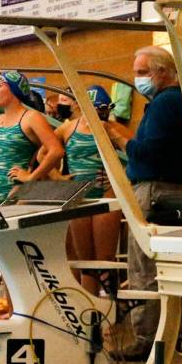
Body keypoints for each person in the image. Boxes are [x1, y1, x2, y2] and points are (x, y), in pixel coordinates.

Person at [103, 46, 182, 358]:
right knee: (162, 270)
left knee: (144, 269)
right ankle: (166, 336)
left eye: (142, 73)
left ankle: (145, 340)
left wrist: (115, 136)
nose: (137, 79)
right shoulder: (177, 101)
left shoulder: (164, 103)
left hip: (152, 190)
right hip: (168, 187)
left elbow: (147, 153)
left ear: (162, 72)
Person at [57, 86, 122, 294]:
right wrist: (58, 178)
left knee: (105, 260)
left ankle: (109, 310)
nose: (101, 115)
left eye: (104, 110)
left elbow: (136, 152)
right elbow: (45, 153)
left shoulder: (113, 129)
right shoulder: (68, 129)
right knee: (84, 259)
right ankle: (91, 310)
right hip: (79, 196)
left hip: (106, 194)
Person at [0, 71, 64, 206]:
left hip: (19, 191)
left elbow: (56, 151)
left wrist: (31, 177)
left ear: (15, 90)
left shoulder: (31, 117)